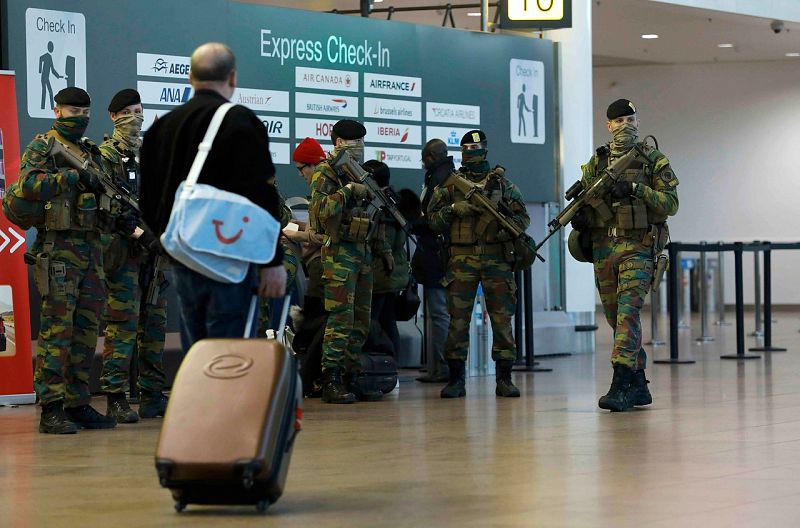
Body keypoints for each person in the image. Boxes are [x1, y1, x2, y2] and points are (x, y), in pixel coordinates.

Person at [139, 42, 286, 351]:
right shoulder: (241, 121)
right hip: (230, 259)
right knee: (229, 356)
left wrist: (170, 240)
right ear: (232, 78)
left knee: (197, 355)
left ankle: (201, 401)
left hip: (182, 255)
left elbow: (148, 199)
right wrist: (272, 260)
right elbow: (262, 193)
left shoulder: (160, 128)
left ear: (190, 77)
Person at [570, 99, 679, 412]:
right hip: (605, 249)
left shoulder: (653, 160)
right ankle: (638, 383)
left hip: (638, 247)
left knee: (629, 313)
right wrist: (582, 219)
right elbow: (587, 203)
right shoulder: (597, 163)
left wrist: (635, 188)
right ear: (608, 126)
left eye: (630, 119)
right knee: (616, 318)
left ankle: (619, 383)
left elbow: (670, 204)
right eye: (618, 121)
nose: (624, 125)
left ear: (638, 122)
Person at [20, 87, 118, 433]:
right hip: (60, 249)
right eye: (74, 111)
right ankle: (51, 407)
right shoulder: (43, 146)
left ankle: (78, 403)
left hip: (92, 249)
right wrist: (74, 177)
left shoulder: (92, 151)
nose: (80, 117)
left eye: (85, 112)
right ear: (57, 111)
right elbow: (27, 185)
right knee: (58, 330)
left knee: (87, 331)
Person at [428, 130, 529, 399]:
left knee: (502, 320)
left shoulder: (504, 186)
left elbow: (522, 221)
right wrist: (453, 210)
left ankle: (504, 378)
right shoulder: (450, 186)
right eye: (466, 148)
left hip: (496, 258)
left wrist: (502, 225)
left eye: (476, 147)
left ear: (485, 149)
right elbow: (433, 221)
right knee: (457, 322)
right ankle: (456, 379)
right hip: (461, 259)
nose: (471, 152)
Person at [98, 88, 167, 422]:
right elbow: (107, 209)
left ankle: (153, 394)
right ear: (113, 117)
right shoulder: (103, 157)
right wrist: (141, 233)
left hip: (155, 253)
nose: (134, 118)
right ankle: (115, 396)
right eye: (127, 112)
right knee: (123, 324)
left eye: (138, 110)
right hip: (123, 253)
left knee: (154, 324)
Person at [308, 119, 384, 404]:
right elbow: (321, 211)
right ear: (338, 142)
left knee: (361, 320)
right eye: (353, 142)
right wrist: (348, 191)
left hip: (362, 252)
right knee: (341, 318)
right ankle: (331, 378)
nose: (359, 147)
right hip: (339, 254)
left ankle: (352, 375)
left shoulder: (360, 172)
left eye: (362, 142)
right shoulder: (325, 173)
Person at [412, 139, 452, 383]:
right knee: (440, 314)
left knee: (439, 314)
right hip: (439, 254)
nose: (422, 162)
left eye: (424, 157)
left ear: (431, 156)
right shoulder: (442, 177)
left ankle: (443, 368)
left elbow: (434, 219)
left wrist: (414, 223)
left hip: (436, 255)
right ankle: (441, 367)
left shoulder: (440, 180)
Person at [363, 159, 408, 355]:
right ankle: (392, 369)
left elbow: (382, 241)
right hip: (392, 273)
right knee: (388, 322)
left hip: (381, 273)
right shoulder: (394, 202)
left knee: (372, 323)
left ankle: (382, 368)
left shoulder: (381, 206)